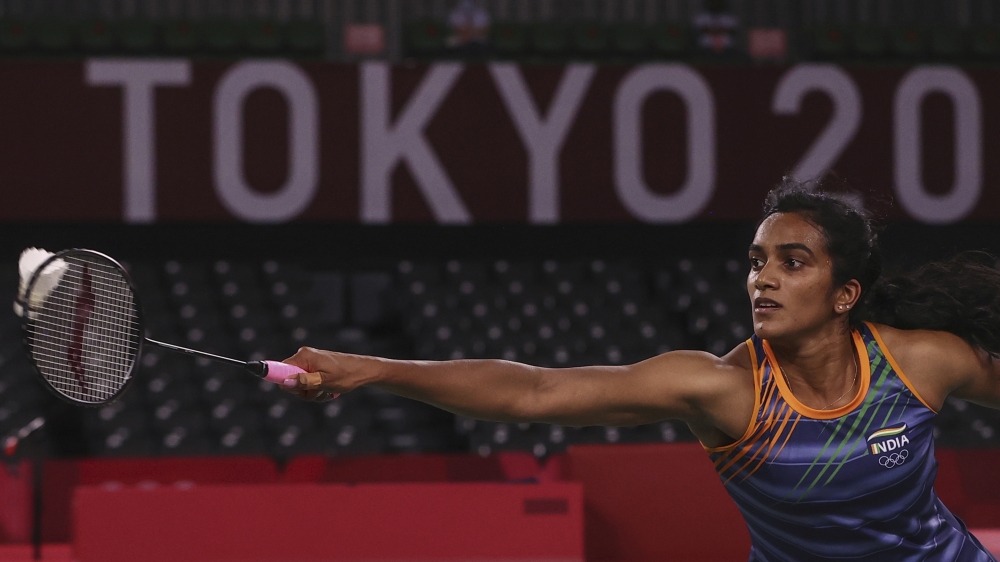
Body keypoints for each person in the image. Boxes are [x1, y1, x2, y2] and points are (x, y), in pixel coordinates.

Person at [279, 179, 1000, 561]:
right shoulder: (725, 389)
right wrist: (370, 368)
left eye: (792, 262)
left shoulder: (915, 364)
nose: (763, 281)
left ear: (845, 294)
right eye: (755, 263)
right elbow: (536, 391)